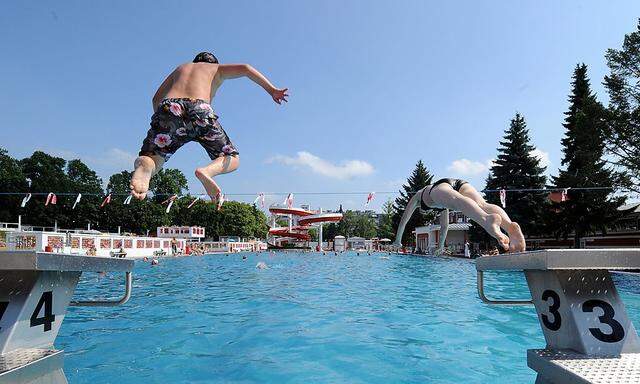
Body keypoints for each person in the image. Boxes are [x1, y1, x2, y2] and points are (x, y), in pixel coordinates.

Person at [130, 51, 289, 203]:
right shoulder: (215, 69)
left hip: (169, 108)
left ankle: (146, 167)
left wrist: (164, 124)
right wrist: (272, 90)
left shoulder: (181, 68)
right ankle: (206, 172)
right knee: (232, 158)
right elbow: (246, 68)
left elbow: (155, 99)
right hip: (200, 110)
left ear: (195, 62)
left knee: (153, 158)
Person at [393, 178, 526, 253]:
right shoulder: (441, 206)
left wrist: (398, 240)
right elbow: (444, 227)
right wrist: (440, 247)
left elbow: (404, 219)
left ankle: (487, 219)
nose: (424, 212)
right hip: (459, 183)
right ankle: (510, 227)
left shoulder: (418, 197)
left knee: (457, 202)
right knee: (482, 204)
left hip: (438, 187)